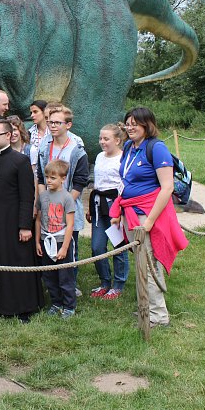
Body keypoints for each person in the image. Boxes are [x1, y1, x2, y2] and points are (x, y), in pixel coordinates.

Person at [110, 107, 189, 328]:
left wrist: (150, 221)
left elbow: (167, 188)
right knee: (140, 261)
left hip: (147, 214)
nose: (130, 127)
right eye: (128, 123)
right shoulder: (129, 146)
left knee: (149, 263)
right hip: (130, 212)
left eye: (135, 124)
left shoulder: (157, 148)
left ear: (147, 125)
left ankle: (158, 315)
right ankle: (146, 307)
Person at [0, 119, 44, 322]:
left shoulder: (20, 161)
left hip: (13, 222)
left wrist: (25, 226)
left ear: (8, 135)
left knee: (16, 261)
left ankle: (22, 307)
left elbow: (27, 196)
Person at [36, 106, 89, 295]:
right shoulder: (45, 146)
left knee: (69, 245)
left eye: (57, 123)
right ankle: (53, 286)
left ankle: (70, 285)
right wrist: (44, 202)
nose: (52, 126)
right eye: (50, 122)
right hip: (47, 206)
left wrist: (63, 203)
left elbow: (80, 182)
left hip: (67, 206)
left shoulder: (76, 150)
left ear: (68, 125)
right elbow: (40, 177)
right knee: (49, 243)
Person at [86, 123, 128, 300]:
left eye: (106, 139)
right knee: (97, 247)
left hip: (114, 206)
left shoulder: (123, 159)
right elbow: (97, 182)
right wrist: (90, 208)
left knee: (118, 246)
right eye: (100, 138)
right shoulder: (99, 156)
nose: (102, 142)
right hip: (98, 204)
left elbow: (125, 185)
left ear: (117, 140)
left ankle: (118, 284)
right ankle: (104, 281)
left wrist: (120, 211)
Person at [35, 160, 78, 318]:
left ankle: (69, 306)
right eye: (47, 177)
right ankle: (56, 303)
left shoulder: (67, 198)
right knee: (49, 275)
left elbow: (70, 224)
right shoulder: (42, 196)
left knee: (65, 276)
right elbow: (38, 219)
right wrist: (37, 241)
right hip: (46, 240)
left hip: (61, 240)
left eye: (53, 178)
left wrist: (65, 247)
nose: (49, 181)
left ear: (63, 178)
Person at [27, 100, 48, 176]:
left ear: (44, 112)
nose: (32, 115)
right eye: (31, 113)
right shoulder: (29, 133)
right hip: (33, 174)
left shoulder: (54, 131)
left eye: (35, 112)